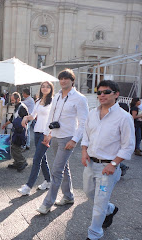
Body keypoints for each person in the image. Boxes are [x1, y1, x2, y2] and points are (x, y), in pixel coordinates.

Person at [81, 80, 135, 240]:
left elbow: (128, 146)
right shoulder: (92, 113)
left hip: (108, 167)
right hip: (90, 163)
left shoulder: (124, 118)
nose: (101, 95)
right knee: (89, 193)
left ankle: (94, 234)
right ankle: (110, 209)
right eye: (99, 92)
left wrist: (114, 164)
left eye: (106, 92)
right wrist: (84, 151)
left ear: (116, 94)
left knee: (99, 202)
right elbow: (86, 135)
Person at [36, 68, 89, 214]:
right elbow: (51, 116)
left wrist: (75, 140)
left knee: (56, 170)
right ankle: (68, 196)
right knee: (63, 168)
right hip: (55, 137)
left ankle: (47, 203)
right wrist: (47, 133)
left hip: (68, 138)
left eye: (66, 78)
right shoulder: (57, 96)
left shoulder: (79, 98)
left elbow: (84, 122)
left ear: (72, 80)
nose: (63, 81)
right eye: (61, 78)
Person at [18, 81, 54, 195]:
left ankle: (28, 187)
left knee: (36, 159)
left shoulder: (53, 102)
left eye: (47, 86)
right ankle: (48, 181)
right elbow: (33, 116)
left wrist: (49, 134)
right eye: (43, 86)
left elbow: (54, 119)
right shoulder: (38, 101)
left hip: (46, 134)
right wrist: (25, 117)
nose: (45, 88)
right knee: (42, 159)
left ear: (51, 89)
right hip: (37, 132)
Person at [2, 92, 29, 172]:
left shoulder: (22, 107)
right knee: (13, 146)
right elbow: (12, 118)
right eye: (11, 100)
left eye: (13, 100)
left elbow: (26, 118)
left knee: (16, 147)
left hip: (21, 131)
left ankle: (22, 161)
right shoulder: (17, 107)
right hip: (16, 130)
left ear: (18, 99)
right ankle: (17, 162)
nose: (12, 102)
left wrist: (22, 126)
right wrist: (5, 124)